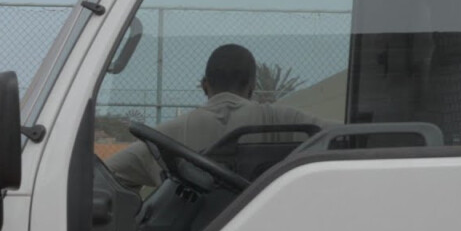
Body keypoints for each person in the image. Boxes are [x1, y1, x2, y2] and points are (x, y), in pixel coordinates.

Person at [105, 43, 331, 191]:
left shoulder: (164, 135)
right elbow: (348, 137)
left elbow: (109, 173)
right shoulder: (289, 121)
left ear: (205, 85)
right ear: (252, 86)